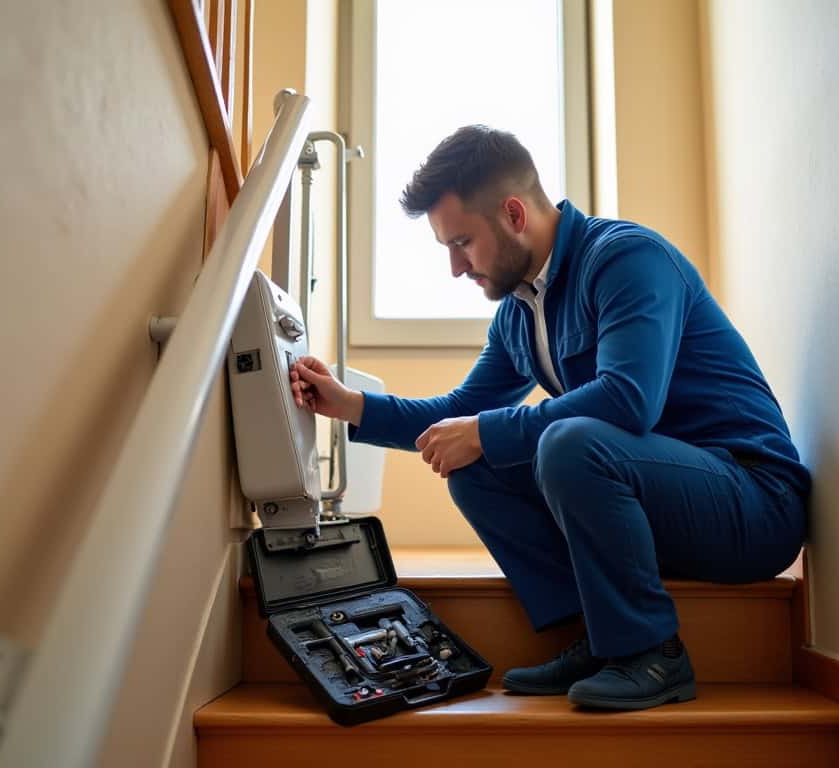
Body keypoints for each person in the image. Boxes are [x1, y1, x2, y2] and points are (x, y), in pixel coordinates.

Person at [289, 125, 810, 711]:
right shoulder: (520, 311)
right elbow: (461, 415)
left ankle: (652, 654)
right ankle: (597, 635)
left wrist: (488, 432)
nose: (456, 269)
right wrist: (349, 406)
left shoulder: (626, 259)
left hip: (751, 502)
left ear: (514, 213)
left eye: (462, 242)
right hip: (659, 503)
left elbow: (628, 400)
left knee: (562, 442)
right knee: (475, 464)